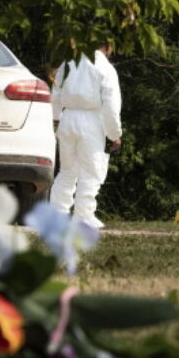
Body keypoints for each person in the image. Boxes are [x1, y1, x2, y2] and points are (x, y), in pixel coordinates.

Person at [49, 44, 122, 228]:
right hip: (91, 120)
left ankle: (57, 216)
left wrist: (56, 118)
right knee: (91, 171)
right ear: (108, 46)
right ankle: (83, 216)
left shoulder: (68, 63)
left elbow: (55, 94)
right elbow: (111, 105)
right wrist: (115, 134)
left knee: (67, 170)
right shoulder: (105, 68)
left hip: (67, 119)